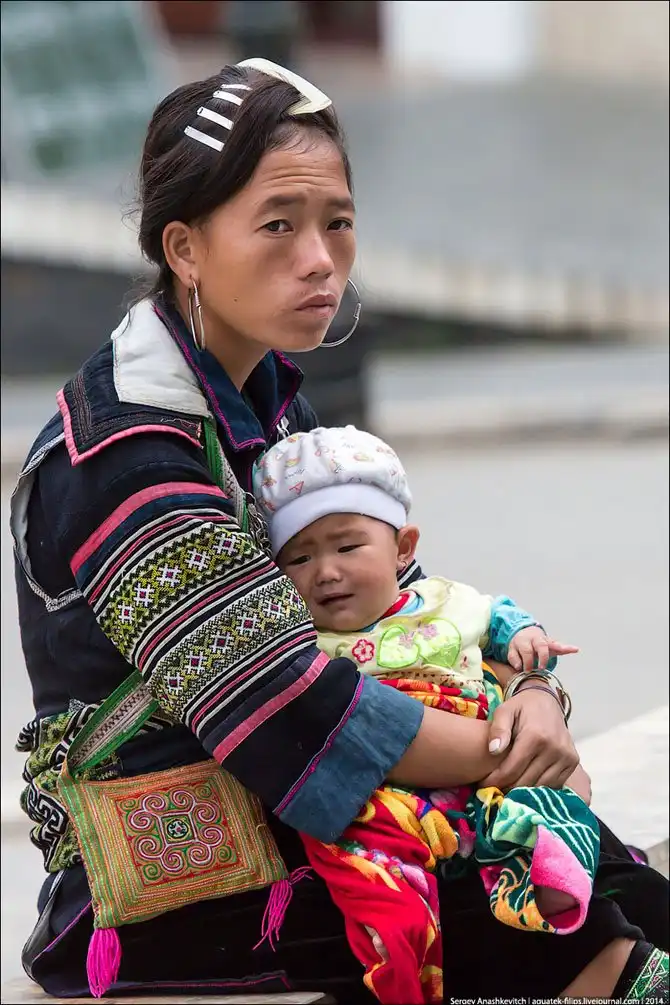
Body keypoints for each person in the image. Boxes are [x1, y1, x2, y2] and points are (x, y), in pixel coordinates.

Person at [10, 58, 668, 1003]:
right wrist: (505, 741)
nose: (319, 258)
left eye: (338, 223)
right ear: (186, 248)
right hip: (177, 895)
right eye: (279, 225)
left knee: (611, 877)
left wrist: (529, 690)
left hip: (314, 828)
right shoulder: (125, 456)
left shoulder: (273, 405)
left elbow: (404, 607)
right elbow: (289, 706)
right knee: (538, 905)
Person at [252, 424, 609, 1001]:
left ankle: (549, 888)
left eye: (348, 547)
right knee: (380, 883)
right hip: (391, 792)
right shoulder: (299, 644)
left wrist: (529, 653)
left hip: (481, 754)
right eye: (299, 557)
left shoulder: (444, 602)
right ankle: (403, 971)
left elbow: (504, 622)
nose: (326, 571)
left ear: (403, 548)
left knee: (553, 807)